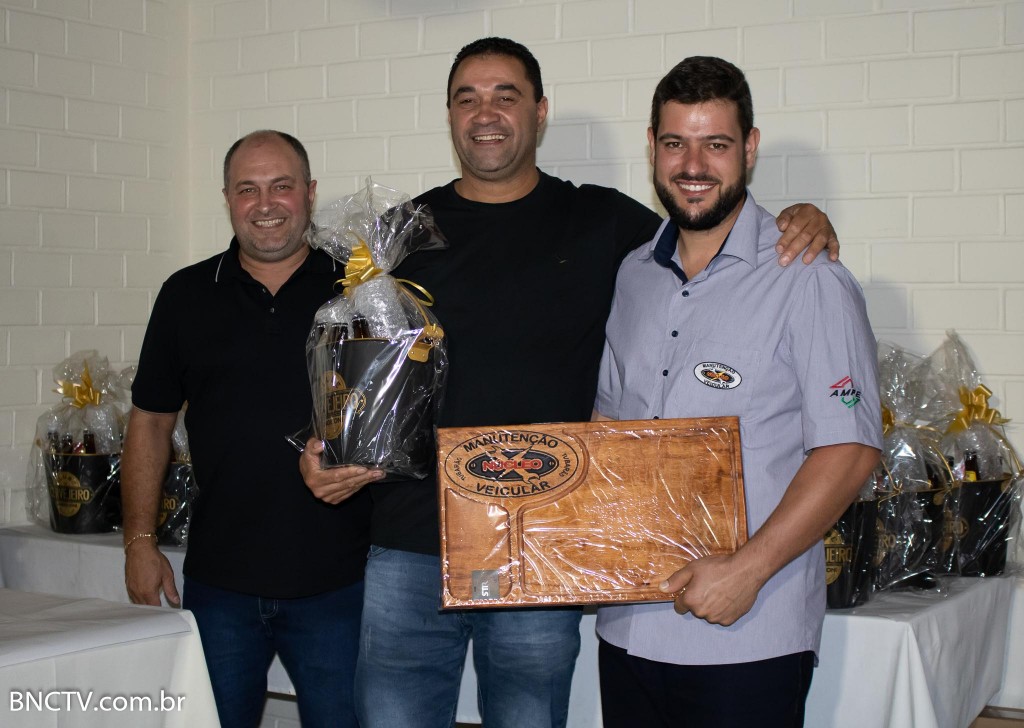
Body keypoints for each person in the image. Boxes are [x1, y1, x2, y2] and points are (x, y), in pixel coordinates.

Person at [301, 38, 841, 728]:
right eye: (468, 98)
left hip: (546, 544)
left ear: (540, 112)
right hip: (410, 543)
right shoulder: (396, 233)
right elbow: (345, 362)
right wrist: (326, 449)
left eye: (506, 96)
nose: (486, 113)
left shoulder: (605, 222)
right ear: (450, 116)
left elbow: (708, 230)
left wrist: (798, 220)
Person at [593, 56, 882, 728]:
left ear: (749, 148)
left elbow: (849, 450)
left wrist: (748, 571)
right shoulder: (633, 275)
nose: (693, 164)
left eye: (716, 144)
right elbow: (608, 430)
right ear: (652, 146)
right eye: (676, 142)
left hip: (746, 636)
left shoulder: (808, 277)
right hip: (627, 627)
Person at [121, 130, 376, 728]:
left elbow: (398, 420)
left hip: (341, 584)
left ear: (310, 193)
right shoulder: (186, 295)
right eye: (247, 189)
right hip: (220, 585)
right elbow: (151, 421)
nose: (265, 204)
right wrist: (139, 542)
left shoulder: (361, 290)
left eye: (281, 186)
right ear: (228, 199)